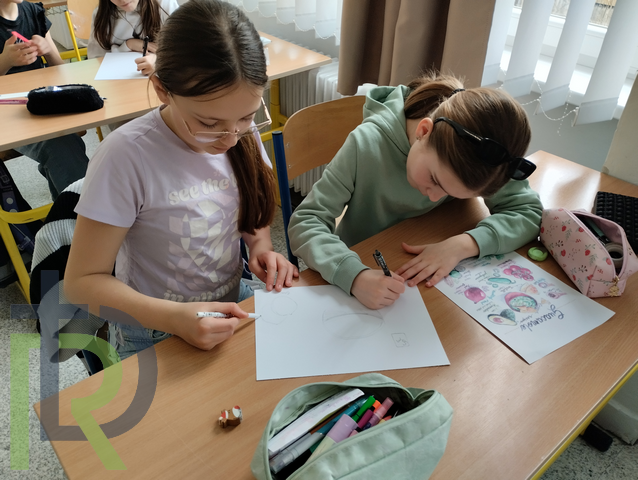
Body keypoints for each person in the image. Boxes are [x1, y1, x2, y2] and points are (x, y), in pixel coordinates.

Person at [65, 0, 299, 361]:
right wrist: (174, 318)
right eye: (208, 123)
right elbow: (82, 284)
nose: (230, 139)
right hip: (151, 326)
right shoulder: (126, 156)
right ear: (162, 90)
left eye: (247, 117)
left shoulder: (239, 131)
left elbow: (252, 211)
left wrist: (261, 247)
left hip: (228, 304)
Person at [288, 72, 543, 310]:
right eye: (434, 180)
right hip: (361, 269)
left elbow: (527, 212)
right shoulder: (366, 145)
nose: (433, 197)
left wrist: (463, 245)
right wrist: (354, 275)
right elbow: (305, 222)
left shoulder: (486, 159)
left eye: (451, 194)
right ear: (424, 131)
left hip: (425, 282)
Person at [0, 0, 89, 200]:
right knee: (62, 146)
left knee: (66, 145)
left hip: (41, 104)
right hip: (8, 115)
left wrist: (48, 50)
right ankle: (81, 211)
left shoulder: (33, 12)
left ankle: (70, 212)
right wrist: (5, 61)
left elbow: (61, 70)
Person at [88, 0, 179, 76]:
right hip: (118, 83)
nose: (123, 0)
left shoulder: (165, 4)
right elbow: (96, 59)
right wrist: (129, 45)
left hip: (162, 80)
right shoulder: (100, 14)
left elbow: (182, 54)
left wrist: (159, 63)